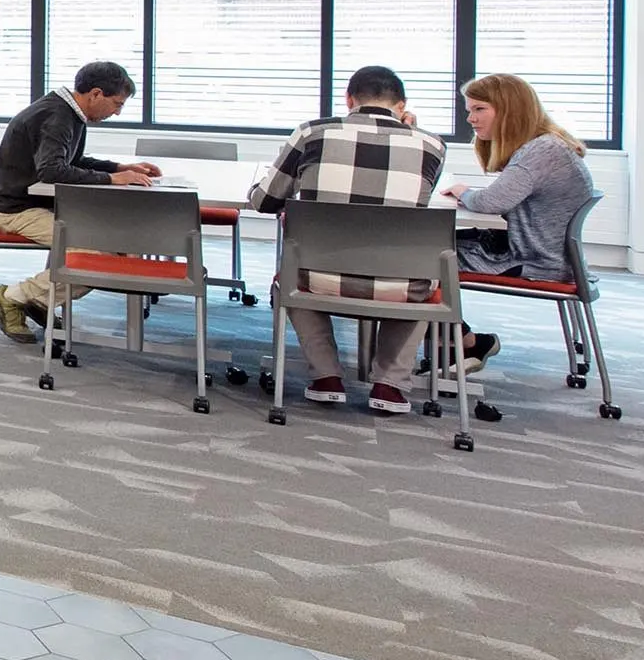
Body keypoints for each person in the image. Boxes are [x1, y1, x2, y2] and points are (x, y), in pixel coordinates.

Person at [247, 66, 447, 414]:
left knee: (291, 273)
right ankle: (390, 385)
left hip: (316, 277)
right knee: (424, 277)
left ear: (349, 99)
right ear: (402, 106)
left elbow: (264, 202)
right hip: (402, 284)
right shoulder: (432, 146)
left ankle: (326, 377)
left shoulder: (312, 133)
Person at [0, 62, 159, 342]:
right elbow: (51, 171)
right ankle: (11, 296)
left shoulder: (67, 112)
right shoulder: (57, 116)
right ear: (96, 94)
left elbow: (70, 161)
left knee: (116, 247)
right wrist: (113, 180)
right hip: (17, 211)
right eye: (116, 104)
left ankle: (37, 301)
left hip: (37, 205)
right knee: (97, 260)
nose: (117, 112)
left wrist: (119, 168)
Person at [436, 73, 594, 374]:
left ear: (510, 110)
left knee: (420, 260)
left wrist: (462, 191)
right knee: (428, 246)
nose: (470, 118)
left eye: (479, 109)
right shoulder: (547, 145)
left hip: (533, 259)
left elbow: (490, 203)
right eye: (469, 110)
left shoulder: (541, 152)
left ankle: (464, 344)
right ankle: (455, 342)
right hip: (544, 252)